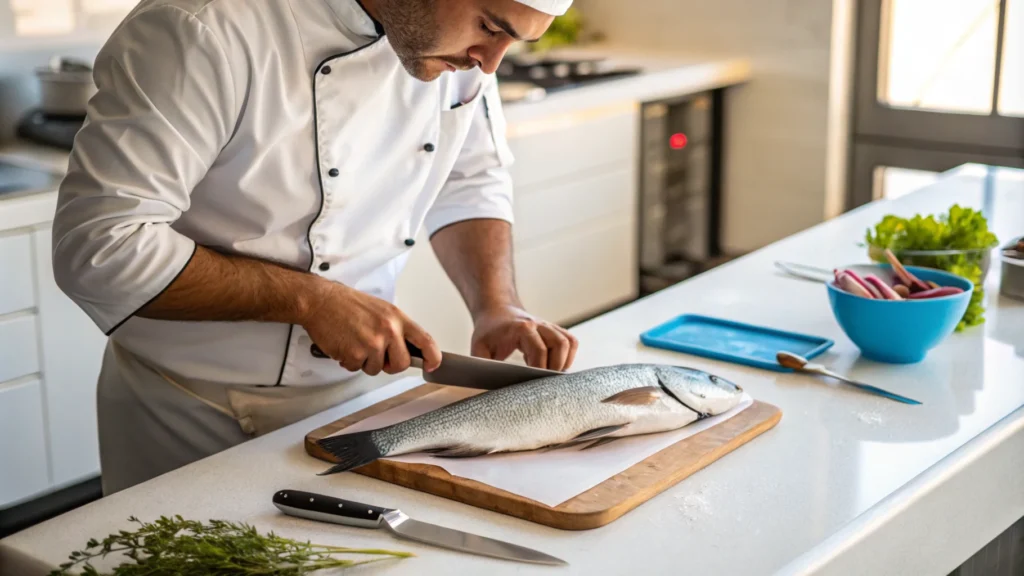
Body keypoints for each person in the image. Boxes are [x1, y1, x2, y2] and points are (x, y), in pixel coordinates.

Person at [51, 0, 578, 495]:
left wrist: (496, 305)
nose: (488, 65)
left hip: (358, 400)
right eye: (490, 26)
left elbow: (470, 178)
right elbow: (101, 248)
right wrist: (312, 301)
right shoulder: (204, 26)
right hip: (188, 409)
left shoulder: (451, 51)